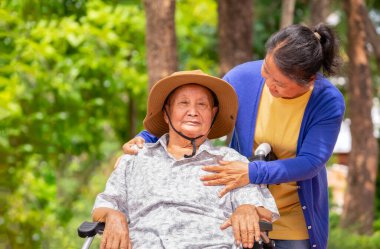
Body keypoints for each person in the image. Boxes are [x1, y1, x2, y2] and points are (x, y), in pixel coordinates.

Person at [122, 24, 345, 249]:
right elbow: (196, 112)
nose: (268, 83)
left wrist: (252, 172)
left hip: (294, 212)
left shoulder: (326, 101)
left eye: (278, 83)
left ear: (309, 82)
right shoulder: (242, 78)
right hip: (241, 206)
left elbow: (311, 162)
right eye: (266, 69)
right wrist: (146, 137)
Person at [93, 70, 279, 249]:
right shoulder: (135, 160)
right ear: (166, 113)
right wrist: (112, 215)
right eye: (183, 103)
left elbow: (265, 211)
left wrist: (248, 208)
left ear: (212, 114)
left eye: (202, 105)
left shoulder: (229, 160)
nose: (193, 112)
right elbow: (103, 206)